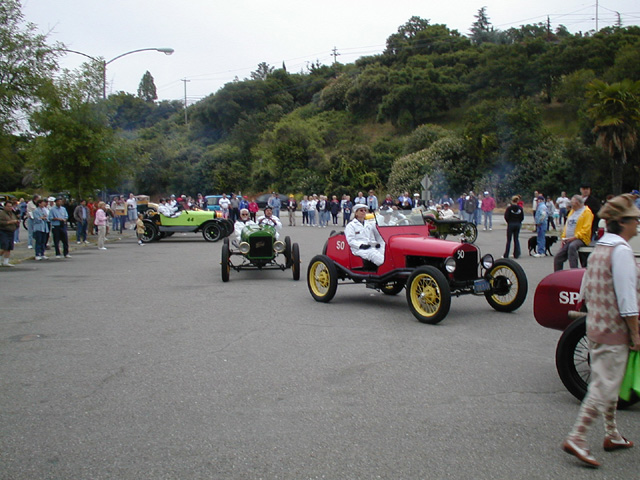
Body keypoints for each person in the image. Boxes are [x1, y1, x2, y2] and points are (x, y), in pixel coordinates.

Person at [563, 194, 640, 468]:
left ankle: (612, 434)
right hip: (613, 330)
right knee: (604, 385)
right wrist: (635, 333)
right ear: (622, 222)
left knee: (606, 380)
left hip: (594, 326)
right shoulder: (620, 251)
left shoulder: (600, 248)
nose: (637, 226)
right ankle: (578, 437)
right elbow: (627, 298)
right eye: (634, 221)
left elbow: (585, 288)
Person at [554, 195, 594, 271]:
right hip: (569, 239)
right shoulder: (572, 212)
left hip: (581, 238)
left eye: (572, 201)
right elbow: (567, 225)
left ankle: (574, 270)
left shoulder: (587, 212)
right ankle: (557, 274)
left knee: (572, 247)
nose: (570, 204)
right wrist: (564, 237)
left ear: (577, 202)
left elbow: (586, 229)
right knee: (558, 257)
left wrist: (575, 237)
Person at [345, 204, 385, 268]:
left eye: (365, 210)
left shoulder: (368, 224)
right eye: (361, 210)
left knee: (384, 251)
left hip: (370, 247)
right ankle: (384, 270)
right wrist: (361, 245)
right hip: (359, 249)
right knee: (376, 257)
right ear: (356, 213)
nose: (364, 212)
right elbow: (351, 240)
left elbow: (371, 238)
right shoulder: (351, 226)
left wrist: (375, 244)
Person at [0, 199, 20, 267]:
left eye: (11, 206)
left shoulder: (12, 213)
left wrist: (16, 222)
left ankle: (6, 262)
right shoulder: (1, 213)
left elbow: (16, 219)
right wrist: (10, 222)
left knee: (9, 247)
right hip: (4, 231)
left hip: (11, 231)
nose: (10, 208)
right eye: (8, 206)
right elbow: (1, 223)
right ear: (4, 207)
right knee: (3, 246)